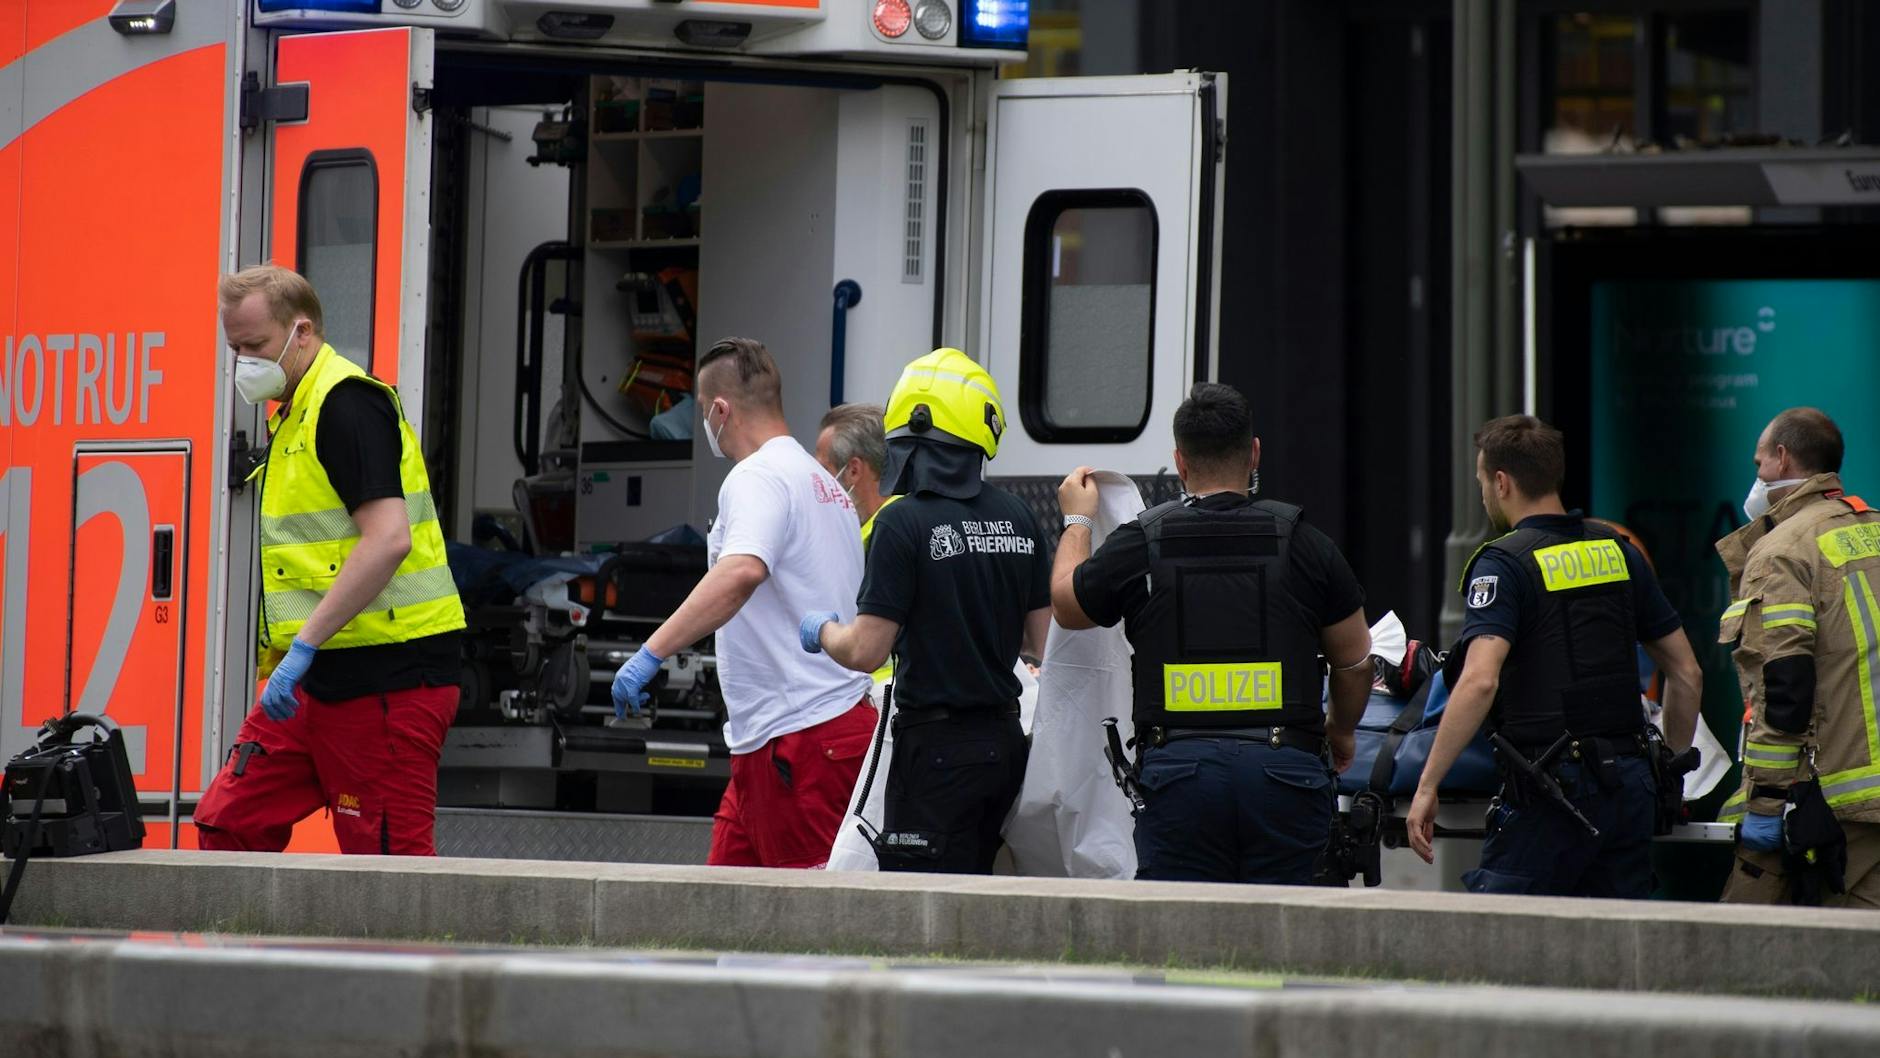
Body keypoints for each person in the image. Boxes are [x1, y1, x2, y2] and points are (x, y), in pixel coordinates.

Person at [1049, 382, 1373, 884]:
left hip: (1180, 780)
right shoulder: (1307, 545)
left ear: (1180, 462)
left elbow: (1068, 606)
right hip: (1285, 774)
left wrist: (1077, 520)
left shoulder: (1143, 541)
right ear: (1255, 452)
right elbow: (1355, 661)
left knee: (1183, 944)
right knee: (1294, 943)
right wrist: (1342, 730)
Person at [195, 265, 465, 855]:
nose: (243, 362)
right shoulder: (296, 410)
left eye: (255, 346)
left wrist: (304, 647)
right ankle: (269, 950)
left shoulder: (346, 404)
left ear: (303, 331)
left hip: (389, 678)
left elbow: (389, 538)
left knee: (385, 868)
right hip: (317, 680)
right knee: (229, 821)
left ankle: (390, 951)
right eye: (234, 348)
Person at [1407, 415, 1703, 897]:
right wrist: (1666, 772)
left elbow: (1480, 680)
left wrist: (1427, 785)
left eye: (1483, 481)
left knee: (1514, 948)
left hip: (1550, 790)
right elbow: (1686, 673)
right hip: (1628, 786)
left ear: (1501, 482)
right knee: (1618, 950)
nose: (1484, 493)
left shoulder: (1502, 564)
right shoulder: (1619, 551)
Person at [612, 337, 876, 868]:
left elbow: (742, 571)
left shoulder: (755, 477)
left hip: (799, 742)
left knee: (808, 934)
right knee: (726, 922)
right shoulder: (820, 483)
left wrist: (651, 652)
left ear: (720, 410)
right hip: (785, 741)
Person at [802, 348, 1050, 874]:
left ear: (913, 430)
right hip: (1005, 747)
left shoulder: (901, 523)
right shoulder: (1020, 516)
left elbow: (868, 650)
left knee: (923, 918)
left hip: (935, 752)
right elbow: (1041, 644)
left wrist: (822, 630)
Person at [1715, 408, 1880, 907]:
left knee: (1742, 953)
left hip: (1819, 796)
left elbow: (1784, 686)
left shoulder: (1781, 551)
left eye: (1759, 461)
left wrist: (1765, 802)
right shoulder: (1872, 530)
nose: (1756, 473)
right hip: (1865, 799)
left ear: (1781, 458)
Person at [816, 403, 899, 548]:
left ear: (853, 470)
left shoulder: (887, 542)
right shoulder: (910, 521)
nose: (817, 483)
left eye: (824, 471)